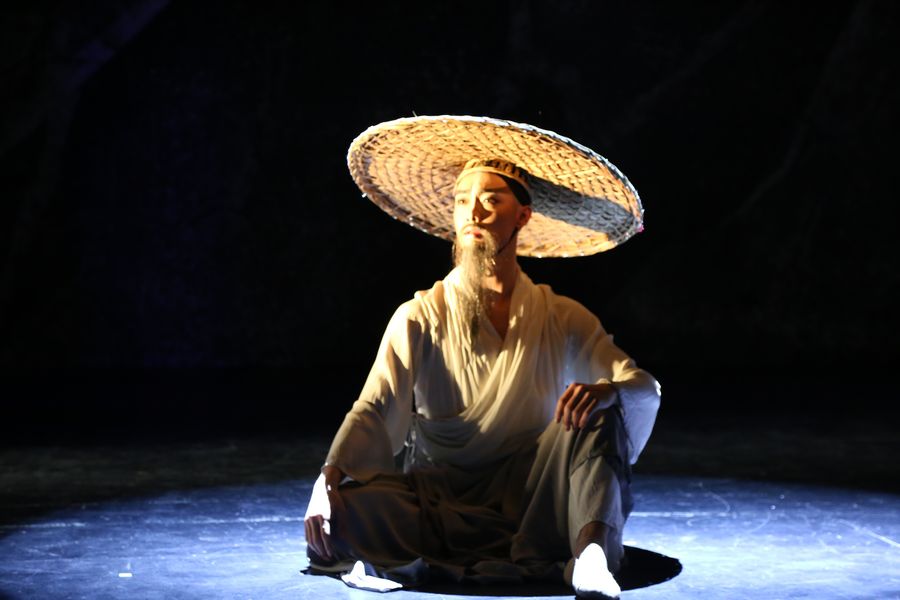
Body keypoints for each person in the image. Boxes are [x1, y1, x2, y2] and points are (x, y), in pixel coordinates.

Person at [304, 116, 660, 599]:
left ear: (523, 216)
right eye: (461, 201)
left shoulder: (560, 315)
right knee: (343, 513)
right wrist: (327, 479)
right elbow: (373, 407)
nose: (474, 212)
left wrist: (608, 391)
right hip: (437, 497)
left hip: (535, 493)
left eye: (492, 200)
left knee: (600, 413)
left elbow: (641, 385)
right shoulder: (418, 316)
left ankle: (590, 555)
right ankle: (408, 541)